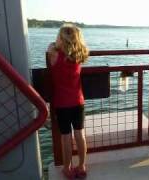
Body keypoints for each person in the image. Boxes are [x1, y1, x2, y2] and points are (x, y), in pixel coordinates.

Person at [47, 23, 89, 179]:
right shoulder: (80, 55)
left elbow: (50, 46)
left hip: (61, 103)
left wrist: (55, 44)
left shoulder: (54, 54)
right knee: (80, 134)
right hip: (78, 101)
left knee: (65, 136)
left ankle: (67, 168)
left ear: (60, 38)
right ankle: (82, 166)